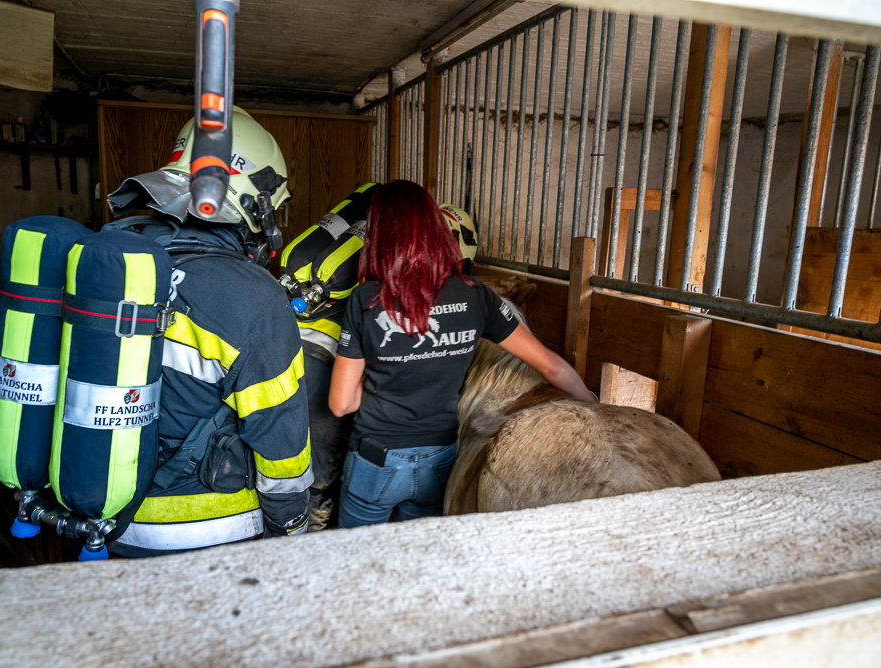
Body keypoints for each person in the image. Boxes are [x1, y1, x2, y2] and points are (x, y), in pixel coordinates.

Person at [104, 109, 312, 557]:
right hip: (211, 538)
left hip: (104, 522)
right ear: (257, 205)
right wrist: (291, 527)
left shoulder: (109, 264)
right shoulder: (252, 296)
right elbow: (281, 443)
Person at [329, 180, 596, 528]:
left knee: (357, 553)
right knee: (426, 550)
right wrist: (592, 406)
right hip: (440, 457)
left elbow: (341, 404)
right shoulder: (477, 295)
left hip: (377, 458)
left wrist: (382, 374)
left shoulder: (365, 300)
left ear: (379, 234)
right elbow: (552, 368)